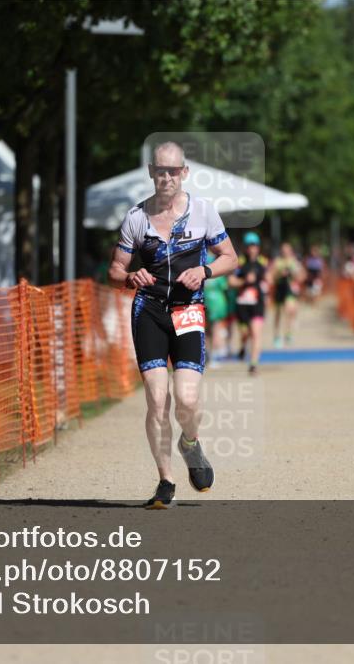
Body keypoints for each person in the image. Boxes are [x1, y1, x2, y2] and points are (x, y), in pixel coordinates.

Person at [107, 141, 239, 509]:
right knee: (156, 398)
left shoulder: (203, 213)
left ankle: (190, 443)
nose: (166, 177)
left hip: (188, 309)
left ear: (184, 173)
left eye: (172, 171)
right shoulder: (136, 217)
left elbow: (231, 257)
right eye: (159, 171)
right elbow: (115, 269)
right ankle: (166, 480)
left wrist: (206, 270)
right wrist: (129, 276)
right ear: (151, 172)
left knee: (188, 398)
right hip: (148, 310)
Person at [229, 232, 270, 375]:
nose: (252, 249)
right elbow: (231, 282)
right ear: (246, 247)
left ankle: (253, 365)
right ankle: (242, 346)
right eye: (249, 246)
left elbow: (269, 279)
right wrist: (244, 281)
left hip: (257, 304)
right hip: (242, 305)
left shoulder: (263, 263)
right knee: (245, 333)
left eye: (255, 246)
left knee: (256, 333)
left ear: (258, 247)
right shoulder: (239, 263)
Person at [269, 242, 304, 347]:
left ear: (290, 251)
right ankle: (277, 336)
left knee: (290, 310)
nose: (285, 252)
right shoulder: (277, 262)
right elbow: (271, 275)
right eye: (283, 250)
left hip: (289, 289)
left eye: (287, 250)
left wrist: (294, 274)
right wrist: (279, 274)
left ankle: (288, 333)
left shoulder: (294, 262)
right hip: (279, 289)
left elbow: (301, 276)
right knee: (278, 314)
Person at [203, 253, 230, 369]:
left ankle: (208, 356)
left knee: (207, 331)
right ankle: (213, 357)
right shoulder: (218, 274)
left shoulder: (201, 273)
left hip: (205, 304)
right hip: (216, 305)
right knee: (215, 331)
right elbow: (225, 287)